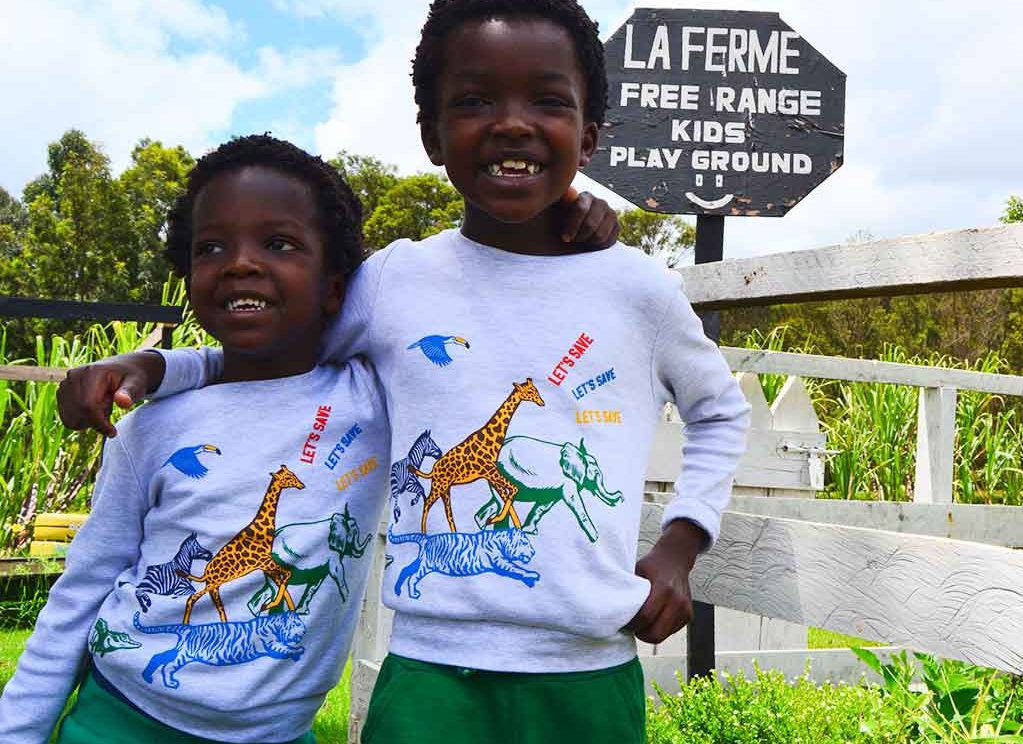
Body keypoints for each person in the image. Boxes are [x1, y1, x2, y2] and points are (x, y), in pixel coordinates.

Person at [57, 1, 750, 742]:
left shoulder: (638, 289)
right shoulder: (395, 282)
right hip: (428, 676)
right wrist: (154, 365)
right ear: (431, 136)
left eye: (547, 100)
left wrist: (681, 545)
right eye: (475, 100)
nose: (512, 123)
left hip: (590, 672)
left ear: (588, 136)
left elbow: (721, 412)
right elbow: (279, 352)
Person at [0, 134, 386, 743]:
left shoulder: (373, 400)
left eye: (279, 243)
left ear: (337, 285)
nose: (239, 263)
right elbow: (84, 590)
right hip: (121, 720)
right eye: (211, 247)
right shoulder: (150, 428)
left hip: (279, 734)